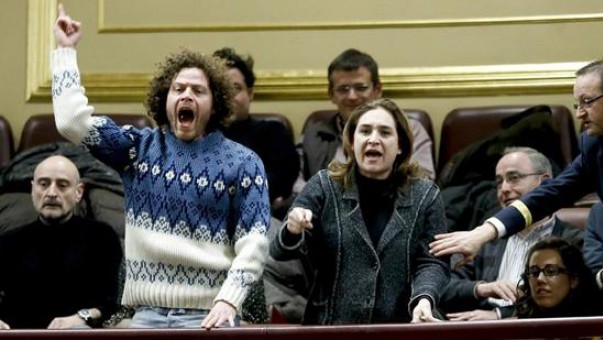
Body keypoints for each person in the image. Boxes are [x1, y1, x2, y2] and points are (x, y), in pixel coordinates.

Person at [52, 5, 270, 328]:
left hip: (208, 316)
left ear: (214, 105)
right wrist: (65, 51)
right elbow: (71, 121)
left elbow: (255, 239)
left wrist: (229, 298)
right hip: (146, 317)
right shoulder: (136, 149)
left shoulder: (243, 162)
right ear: (164, 100)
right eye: (178, 89)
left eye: (198, 91)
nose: (187, 95)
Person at [430, 58, 603, 323]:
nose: (579, 114)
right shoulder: (595, 147)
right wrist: (484, 232)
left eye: (587, 102)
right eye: (576, 105)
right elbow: (549, 194)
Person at [271, 98, 449, 324]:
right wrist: (292, 229)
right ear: (352, 143)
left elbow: (433, 262)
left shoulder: (425, 195)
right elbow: (279, 252)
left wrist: (424, 299)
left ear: (400, 146)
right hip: (331, 328)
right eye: (365, 131)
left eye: (384, 133)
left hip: (399, 328)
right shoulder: (324, 186)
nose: (373, 139)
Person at [440, 147, 583, 321]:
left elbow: (575, 301)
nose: (504, 189)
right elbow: (442, 285)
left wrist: (500, 315)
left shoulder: (572, 241)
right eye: (499, 182)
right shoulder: (486, 237)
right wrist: (481, 288)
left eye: (514, 178)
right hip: (477, 329)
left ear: (544, 182)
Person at [0, 155, 122, 329]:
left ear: (78, 192)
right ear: (33, 189)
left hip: (76, 333)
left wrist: (82, 317)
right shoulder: (8, 241)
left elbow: (110, 303)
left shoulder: (101, 236)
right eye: (43, 184)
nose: (51, 193)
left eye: (62, 185)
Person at [298, 48, 435, 187]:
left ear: (377, 90)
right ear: (331, 94)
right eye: (343, 89)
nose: (352, 96)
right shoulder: (313, 134)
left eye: (361, 87)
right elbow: (297, 186)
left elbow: (424, 183)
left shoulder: (410, 129)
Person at [214, 47, 299, 219]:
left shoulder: (273, 133)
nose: (227, 97)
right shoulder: (196, 136)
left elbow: (278, 183)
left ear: (250, 93)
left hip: (258, 220)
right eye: (219, 89)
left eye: (235, 88)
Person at [515, 237, 603, 318]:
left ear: (573, 279)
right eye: (534, 272)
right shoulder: (522, 321)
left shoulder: (601, 322)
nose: (540, 279)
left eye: (551, 271)